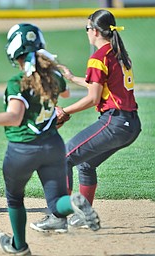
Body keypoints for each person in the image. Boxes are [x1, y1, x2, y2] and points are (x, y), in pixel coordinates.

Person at [0, 23, 100, 255]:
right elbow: (66, 93)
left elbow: (14, 117)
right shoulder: (52, 77)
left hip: (22, 150)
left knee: (14, 198)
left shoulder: (17, 82)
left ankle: (19, 246)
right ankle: (74, 203)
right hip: (53, 146)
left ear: (13, 51)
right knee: (56, 203)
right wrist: (51, 67)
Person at [57, 9, 141, 227]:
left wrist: (65, 111)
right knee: (85, 164)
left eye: (87, 28)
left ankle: (58, 217)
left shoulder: (98, 58)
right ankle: (85, 216)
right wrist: (72, 78)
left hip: (114, 122)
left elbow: (94, 98)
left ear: (94, 31)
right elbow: (102, 86)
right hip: (131, 124)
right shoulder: (118, 54)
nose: (86, 32)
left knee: (64, 157)